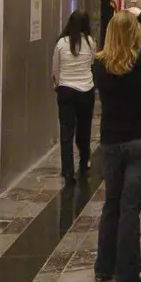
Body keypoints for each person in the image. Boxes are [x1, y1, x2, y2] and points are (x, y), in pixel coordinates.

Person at [92, 8, 141, 282]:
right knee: (130, 209)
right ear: (134, 33)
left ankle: (104, 267)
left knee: (112, 204)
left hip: (112, 142)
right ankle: (127, 276)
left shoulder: (98, 66)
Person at [51, 10, 96, 186]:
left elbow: (55, 69)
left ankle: (68, 171)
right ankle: (84, 162)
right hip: (86, 90)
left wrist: (57, 85)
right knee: (84, 130)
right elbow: (92, 63)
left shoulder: (61, 43)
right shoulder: (90, 42)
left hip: (66, 91)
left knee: (66, 132)